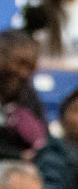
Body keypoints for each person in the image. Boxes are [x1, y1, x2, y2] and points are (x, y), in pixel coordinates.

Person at [0, 31, 46, 159]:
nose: (23, 73)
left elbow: (43, 139)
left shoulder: (27, 94)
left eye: (30, 67)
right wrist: (17, 156)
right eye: (20, 64)